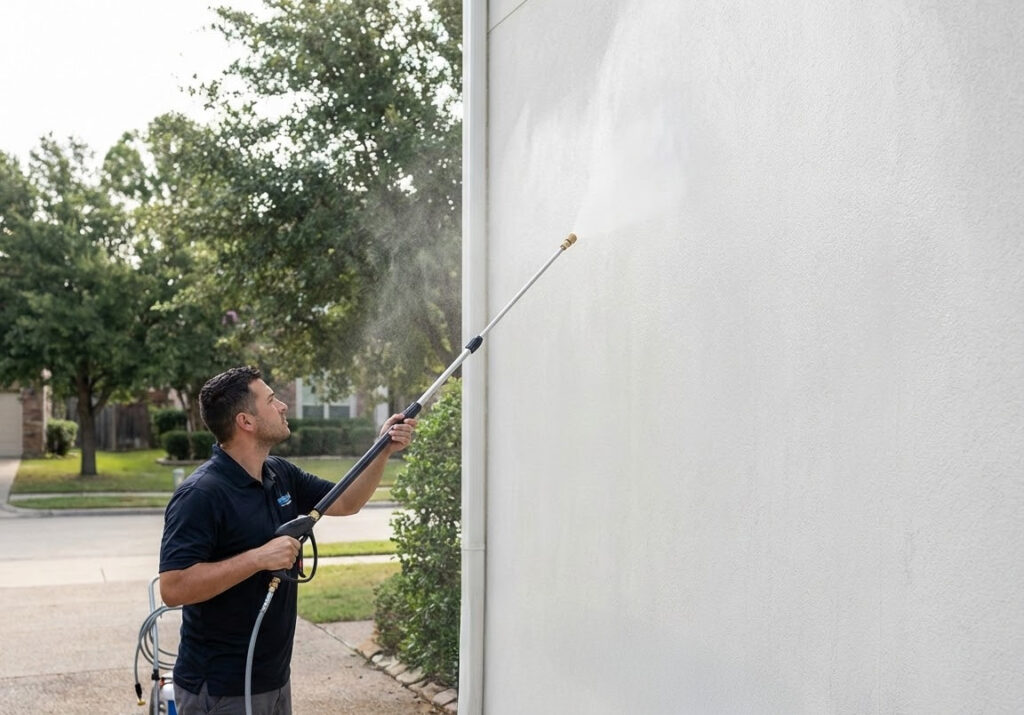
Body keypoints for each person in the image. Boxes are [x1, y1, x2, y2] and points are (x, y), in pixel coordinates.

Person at [159, 366, 416, 715]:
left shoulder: (279, 474)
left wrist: (382, 449)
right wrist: (258, 558)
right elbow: (174, 588)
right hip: (220, 690)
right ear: (245, 421)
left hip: (273, 678)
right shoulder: (201, 494)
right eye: (271, 400)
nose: (282, 406)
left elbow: (346, 501)